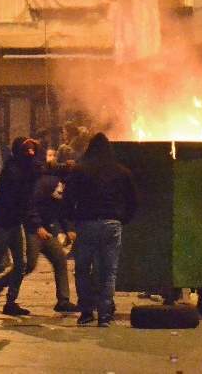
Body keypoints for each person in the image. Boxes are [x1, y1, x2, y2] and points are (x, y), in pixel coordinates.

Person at [63, 133, 137, 327]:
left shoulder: (79, 170)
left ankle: (86, 311)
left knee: (82, 269)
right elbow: (133, 201)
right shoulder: (121, 172)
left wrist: (73, 220)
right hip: (111, 225)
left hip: (86, 224)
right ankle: (105, 314)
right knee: (108, 271)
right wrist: (122, 219)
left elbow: (68, 198)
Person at [0, 137, 41, 316]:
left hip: (15, 223)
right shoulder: (13, 170)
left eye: (33, 149)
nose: (31, 153)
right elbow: (21, 196)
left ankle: (11, 301)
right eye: (27, 150)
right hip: (3, 223)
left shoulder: (26, 168)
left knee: (21, 264)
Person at [26, 148, 79, 313]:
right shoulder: (49, 182)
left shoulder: (59, 184)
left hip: (47, 231)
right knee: (28, 265)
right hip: (35, 231)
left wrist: (68, 228)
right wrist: (38, 226)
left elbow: (60, 209)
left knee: (60, 260)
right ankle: (4, 290)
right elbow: (31, 204)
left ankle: (63, 301)